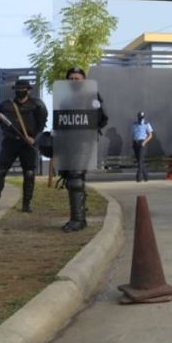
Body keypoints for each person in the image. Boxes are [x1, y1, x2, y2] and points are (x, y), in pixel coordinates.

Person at [0, 79, 47, 213]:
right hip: (10, 142)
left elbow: (41, 124)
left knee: (29, 173)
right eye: (18, 89)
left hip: (27, 143)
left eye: (23, 89)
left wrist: (34, 138)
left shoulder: (37, 105)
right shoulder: (5, 105)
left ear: (28, 90)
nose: (20, 91)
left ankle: (26, 204)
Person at [52, 67, 105, 232]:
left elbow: (102, 118)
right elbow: (60, 122)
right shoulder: (65, 100)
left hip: (84, 142)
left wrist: (90, 125)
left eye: (77, 78)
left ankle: (78, 220)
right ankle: (80, 213)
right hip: (67, 143)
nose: (74, 81)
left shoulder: (92, 97)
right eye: (71, 78)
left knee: (75, 178)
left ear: (84, 80)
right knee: (70, 178)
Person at [131, 111, 154, 182]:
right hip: (135, 143)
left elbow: (150, 135)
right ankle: (146, 176)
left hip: (142, 142)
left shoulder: (147, 124)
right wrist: (132, 142)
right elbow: (133, 134)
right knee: (139, 161)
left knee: (141, 160)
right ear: (138, 117)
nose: (141, 119)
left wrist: (144, 142)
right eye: (140, 117)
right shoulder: (134, 124)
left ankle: (138, 177)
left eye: (142, 117)